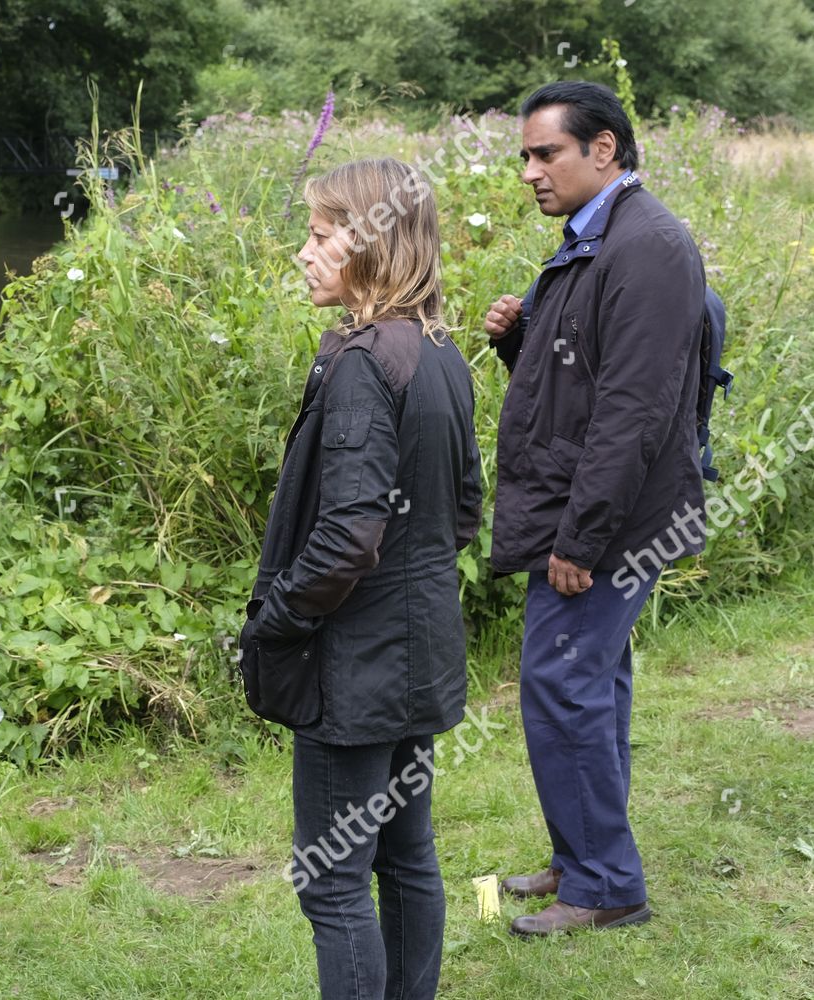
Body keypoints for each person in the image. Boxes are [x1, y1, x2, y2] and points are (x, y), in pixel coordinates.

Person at [238, 157, 482, 999]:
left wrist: (276, 621)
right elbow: (463, 512)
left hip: (359, 667)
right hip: (419, 650)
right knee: (406, 855)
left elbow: (347, 537)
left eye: (318, 236)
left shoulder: (360, 364)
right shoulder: (443, 352)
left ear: (373, 243)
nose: (303, 254)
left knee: (333, 879)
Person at [482, 82, 708, 937]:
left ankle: (608, 884)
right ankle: (585, 859)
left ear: (604, 149)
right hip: (598, 513)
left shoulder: (645, 246)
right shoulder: (594, 239)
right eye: (527, 157)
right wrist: (518, 341)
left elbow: (636, 412)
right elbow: (574, 389)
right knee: (590, 685)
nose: (532, 172)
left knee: (562, 683)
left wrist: (582, 537)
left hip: (612, 523)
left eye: (548, 154)